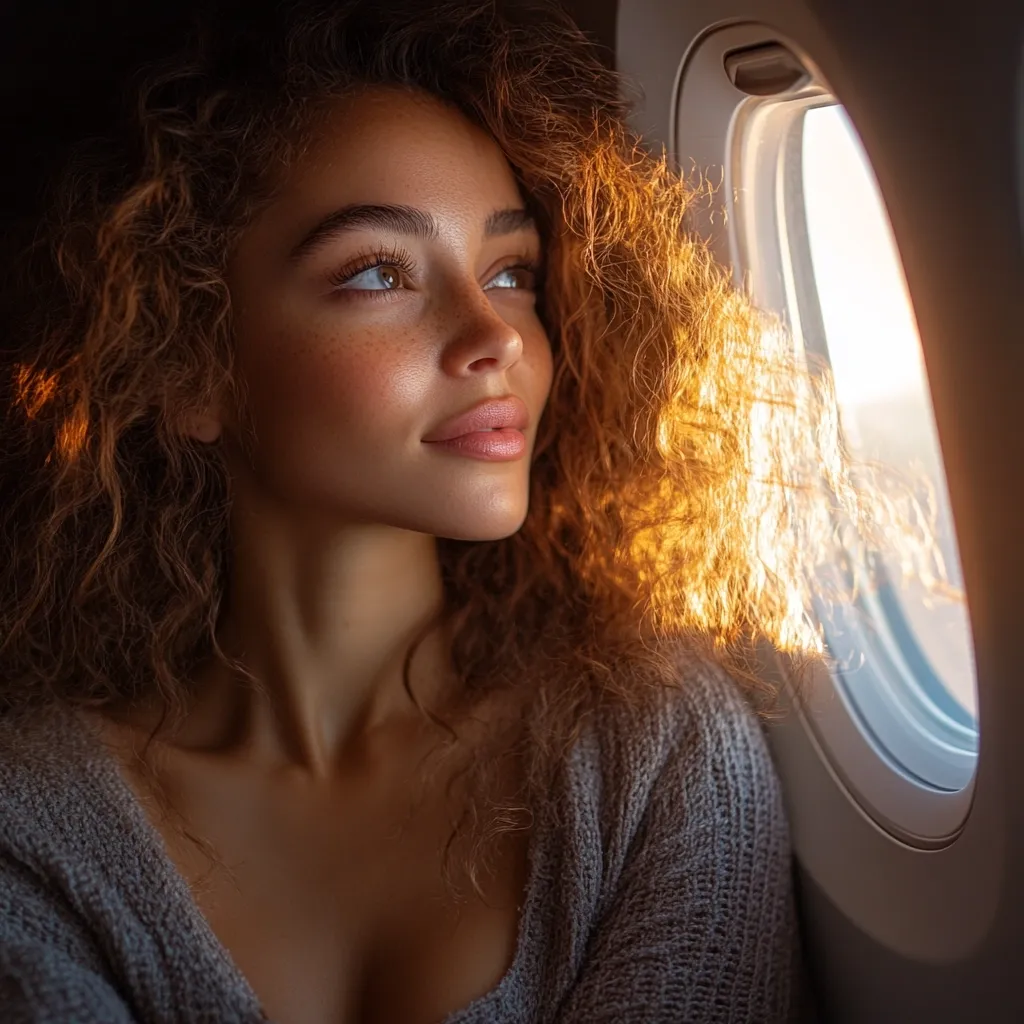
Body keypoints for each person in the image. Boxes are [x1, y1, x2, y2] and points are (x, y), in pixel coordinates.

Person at [0, 0, 865, 1019]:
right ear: (186, 365)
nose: (492, 336)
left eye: (510, 273)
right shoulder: (33, 819)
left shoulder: (645, 744)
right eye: (379, 273)